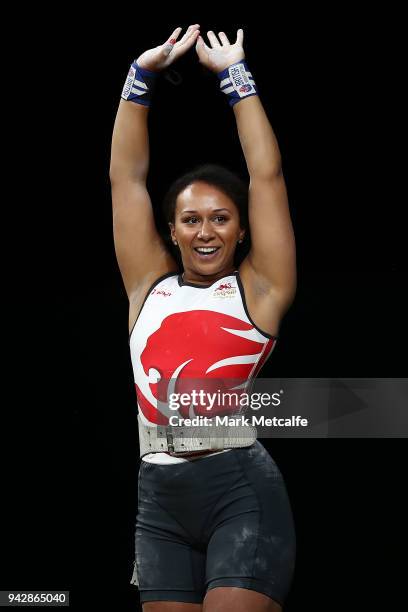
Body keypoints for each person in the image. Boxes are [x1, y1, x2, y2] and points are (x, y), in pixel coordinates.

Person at [110, 24, 297, 612]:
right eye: (190, 219)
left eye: (221, 218)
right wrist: (139, 80)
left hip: (238, 490)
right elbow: (126, 179)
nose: (205, 230)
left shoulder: (259, 291)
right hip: (157, 501)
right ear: (171, 230)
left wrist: (236, 80)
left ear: (242, 230)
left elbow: (266, 174)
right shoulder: (149, 286)